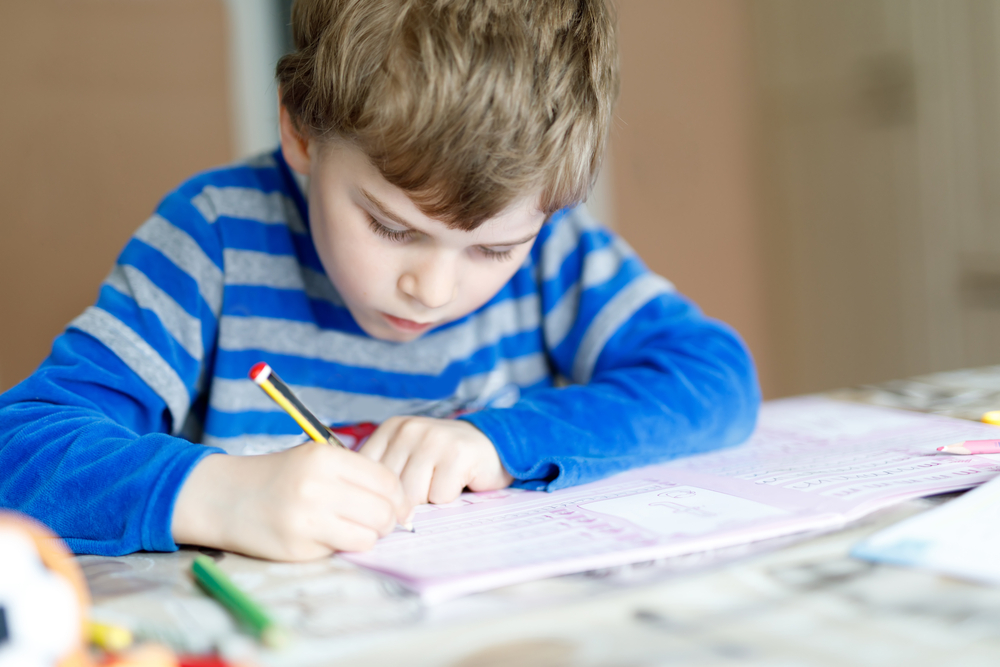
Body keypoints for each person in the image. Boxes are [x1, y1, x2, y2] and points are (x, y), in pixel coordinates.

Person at [0, 0, 759, 561]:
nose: (432, 288)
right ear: (300, 129)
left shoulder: (556, 253)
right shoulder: (216, 238)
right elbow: (19, 445)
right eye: (394, 229)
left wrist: (503, 441)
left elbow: (715, 376)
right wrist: (222, 495)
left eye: (494, 250)